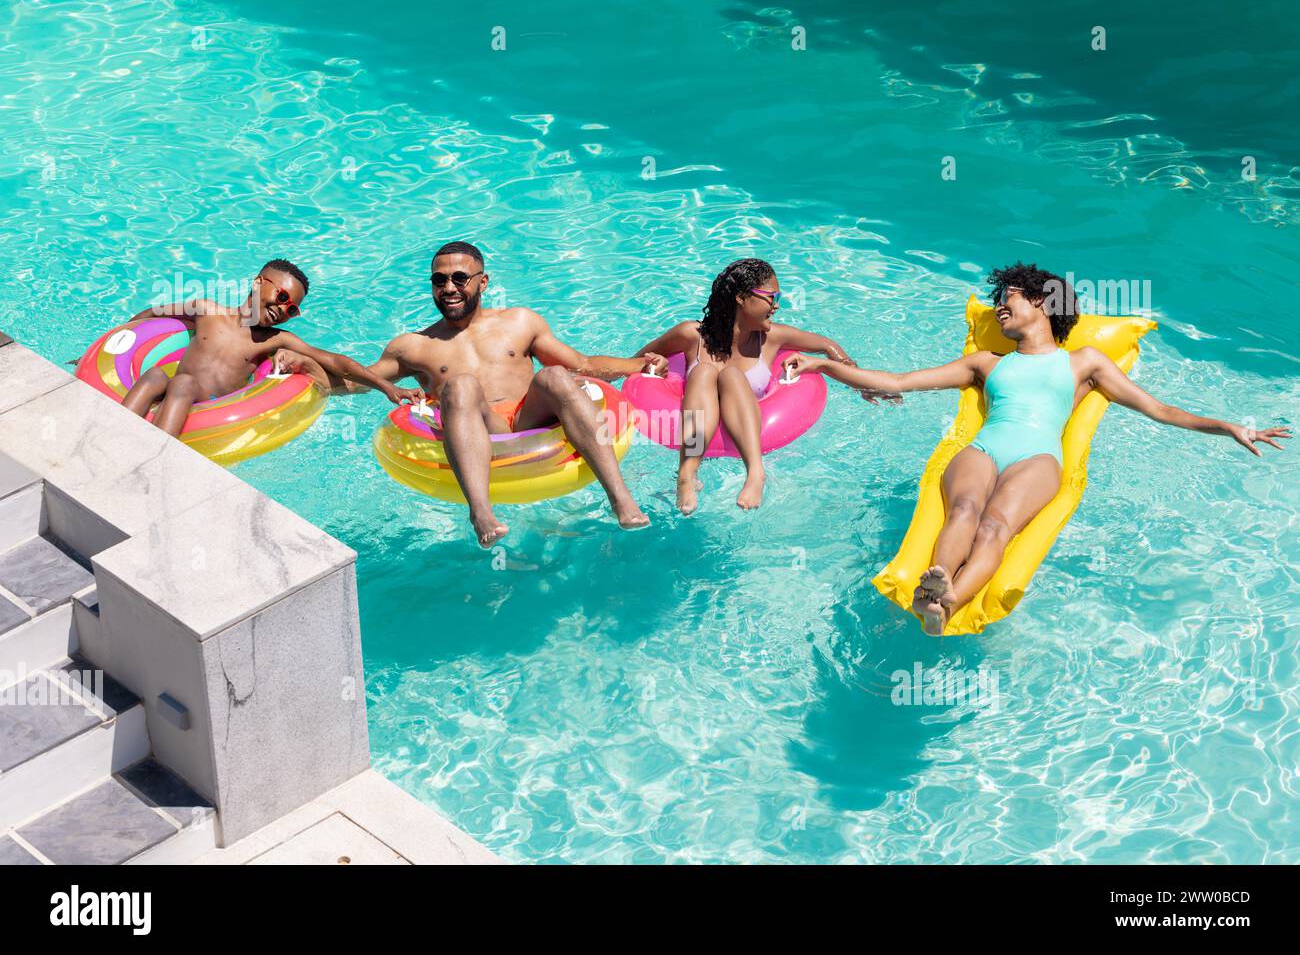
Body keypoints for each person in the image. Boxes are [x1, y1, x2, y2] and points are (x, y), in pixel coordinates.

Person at [783, 262, 1291, 634]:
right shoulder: (986, 362)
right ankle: (932, 589)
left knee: (996, 525)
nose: (1000, 304)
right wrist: (825, 366)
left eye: (1010, 296)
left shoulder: (1083, 363)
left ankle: (948, 605)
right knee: (962, 507)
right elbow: (898, 381)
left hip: (1038, 461)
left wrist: (1228, 426)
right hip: (983, 448)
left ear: (1045, 303)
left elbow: (1158, 410)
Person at [277, 241, 657, 546]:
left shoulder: (520, 322)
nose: (449, 288)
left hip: (528, 418)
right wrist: (309, 367)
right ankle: (481, 513)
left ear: (483, 281)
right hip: (474, 423)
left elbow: (583, 364)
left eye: (459, 278)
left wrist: (639, 366)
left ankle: (620, 498)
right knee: (460, 384)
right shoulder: (415, 345)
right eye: (438, 281)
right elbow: (361, 381)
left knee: (557, 376)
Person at [633, 258, 861, 514]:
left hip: (750, 430)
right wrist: (657, 365)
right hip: (696, 423)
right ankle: (687, 472)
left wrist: (859, 379)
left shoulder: (772, 338)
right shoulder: (691, 336)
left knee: (731, 376)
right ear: (741, 298)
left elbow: (825, 344)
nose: (776, 306)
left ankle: (755, 473)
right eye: (771, 297)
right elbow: (634, 363)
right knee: (705, 371)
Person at [121, 259, 419, 435]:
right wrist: (111, 343)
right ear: (258, 283)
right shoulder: (206, 310)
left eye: (292, 309)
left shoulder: (276, 339)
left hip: (208, 405)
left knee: (182, 382)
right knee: (157, 375)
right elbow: (151, 316)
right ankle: (111, 433)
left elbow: (334, 361)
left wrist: (386, 387)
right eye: (281, 296)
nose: (282, 309)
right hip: (174, 393)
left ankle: (151, 458)